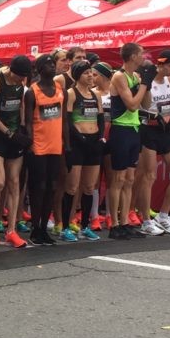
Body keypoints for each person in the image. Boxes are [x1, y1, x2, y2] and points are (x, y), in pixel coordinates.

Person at [135, 49, 170, 236]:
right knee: (149, 176)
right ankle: (146, 220)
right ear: (161, 65)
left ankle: (163, 215)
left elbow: (169, 103)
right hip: (149, 130)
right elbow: (144, 105)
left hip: (166, 130)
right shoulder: (147, 81)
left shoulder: (169, 80)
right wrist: (147, 84)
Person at [0, 56, 31, 248]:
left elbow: (21, 104)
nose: (22, 80)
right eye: (19, 76)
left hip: (14, 135)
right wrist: (8, 133)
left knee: (14, 182)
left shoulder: (22, 81)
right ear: (12, 71)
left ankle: (11, 230)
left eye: (24, 77)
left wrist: (22, 128)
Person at [107, 43, 153, 240]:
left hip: (134, 129)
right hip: (121, 129)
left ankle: (125, 221)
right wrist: (143, 86)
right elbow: (132, 105)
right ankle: (114, 223)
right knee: (118, 179)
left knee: (130, 179)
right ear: (133, 56)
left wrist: (146, 84)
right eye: (141, 54)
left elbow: (146, 104)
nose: (143, 57)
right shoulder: (119, 76)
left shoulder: (135, 77)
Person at [60, 60, 104, 242]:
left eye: (91, 72)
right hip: (78, 143)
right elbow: (68, 121)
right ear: (78, 75)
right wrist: (79, 139)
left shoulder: (96, 95)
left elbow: (100, 118)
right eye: (86, 73)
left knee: (89, 187)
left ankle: (85, 225)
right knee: (72, 186)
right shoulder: (71, 93)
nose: (90, 76)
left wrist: (100, 137)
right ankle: (65, 227)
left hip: (93, 143)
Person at [24, 54, 64, 246]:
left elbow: (64, 119)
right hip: (39, 146)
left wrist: (66, 144)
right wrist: (30, 144)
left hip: (56, 145)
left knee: (52, 187)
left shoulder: (60, 88)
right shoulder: (32, 92)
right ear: (40, 69)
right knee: (38, 188)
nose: (52, 67)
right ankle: (35, 228)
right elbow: (28, 121)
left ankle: (44, 227)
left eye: (53, 64)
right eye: (48, 65)